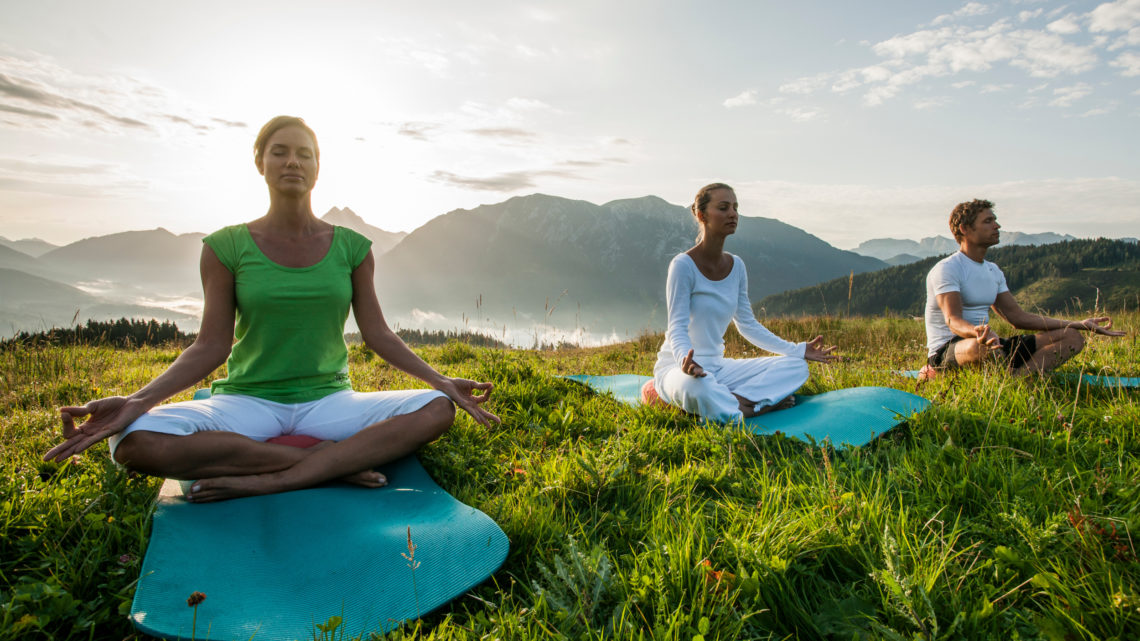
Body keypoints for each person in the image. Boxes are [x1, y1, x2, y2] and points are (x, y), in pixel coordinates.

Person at [44, 115, 499, 502]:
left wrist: (441, 381)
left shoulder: (353, 248)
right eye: (280, 151)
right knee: (133, 442)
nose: (293, 162)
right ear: (260, 162)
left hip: (330, 400)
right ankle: (329, 467)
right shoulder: (226, 247)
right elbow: (210, 345)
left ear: (318, 168)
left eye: (305, 153)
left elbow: (377, 334)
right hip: (247, 402)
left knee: (438, 409)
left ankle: (271, 479)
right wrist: (138, 402)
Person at [652, 183, 839, 423]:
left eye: (735, 207)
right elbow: (676, 327)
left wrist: (798, 350)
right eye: (723, 207)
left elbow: (748, 325)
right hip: (679, 369)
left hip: (718, 368)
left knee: (796, 367)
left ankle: (727, 408)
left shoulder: (737, 266)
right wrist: (685, 362)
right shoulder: (683, 265)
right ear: (701, 215)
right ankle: (756, 408)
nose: (732, 214)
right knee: (701, 389)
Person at [919, 198, 1124, 380]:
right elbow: (952, 320)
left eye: (995, 220)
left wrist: (1079, 324)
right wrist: (977, 331)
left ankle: (1018, 380)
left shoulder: (993, 271)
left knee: (1072, 338)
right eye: (988, 221)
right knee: (981, 347)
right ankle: (940, 372)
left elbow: (1017, 317)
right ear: (964, 229)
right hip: (950, 349)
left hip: (993, 344)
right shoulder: (947, 269)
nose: (997, 225)